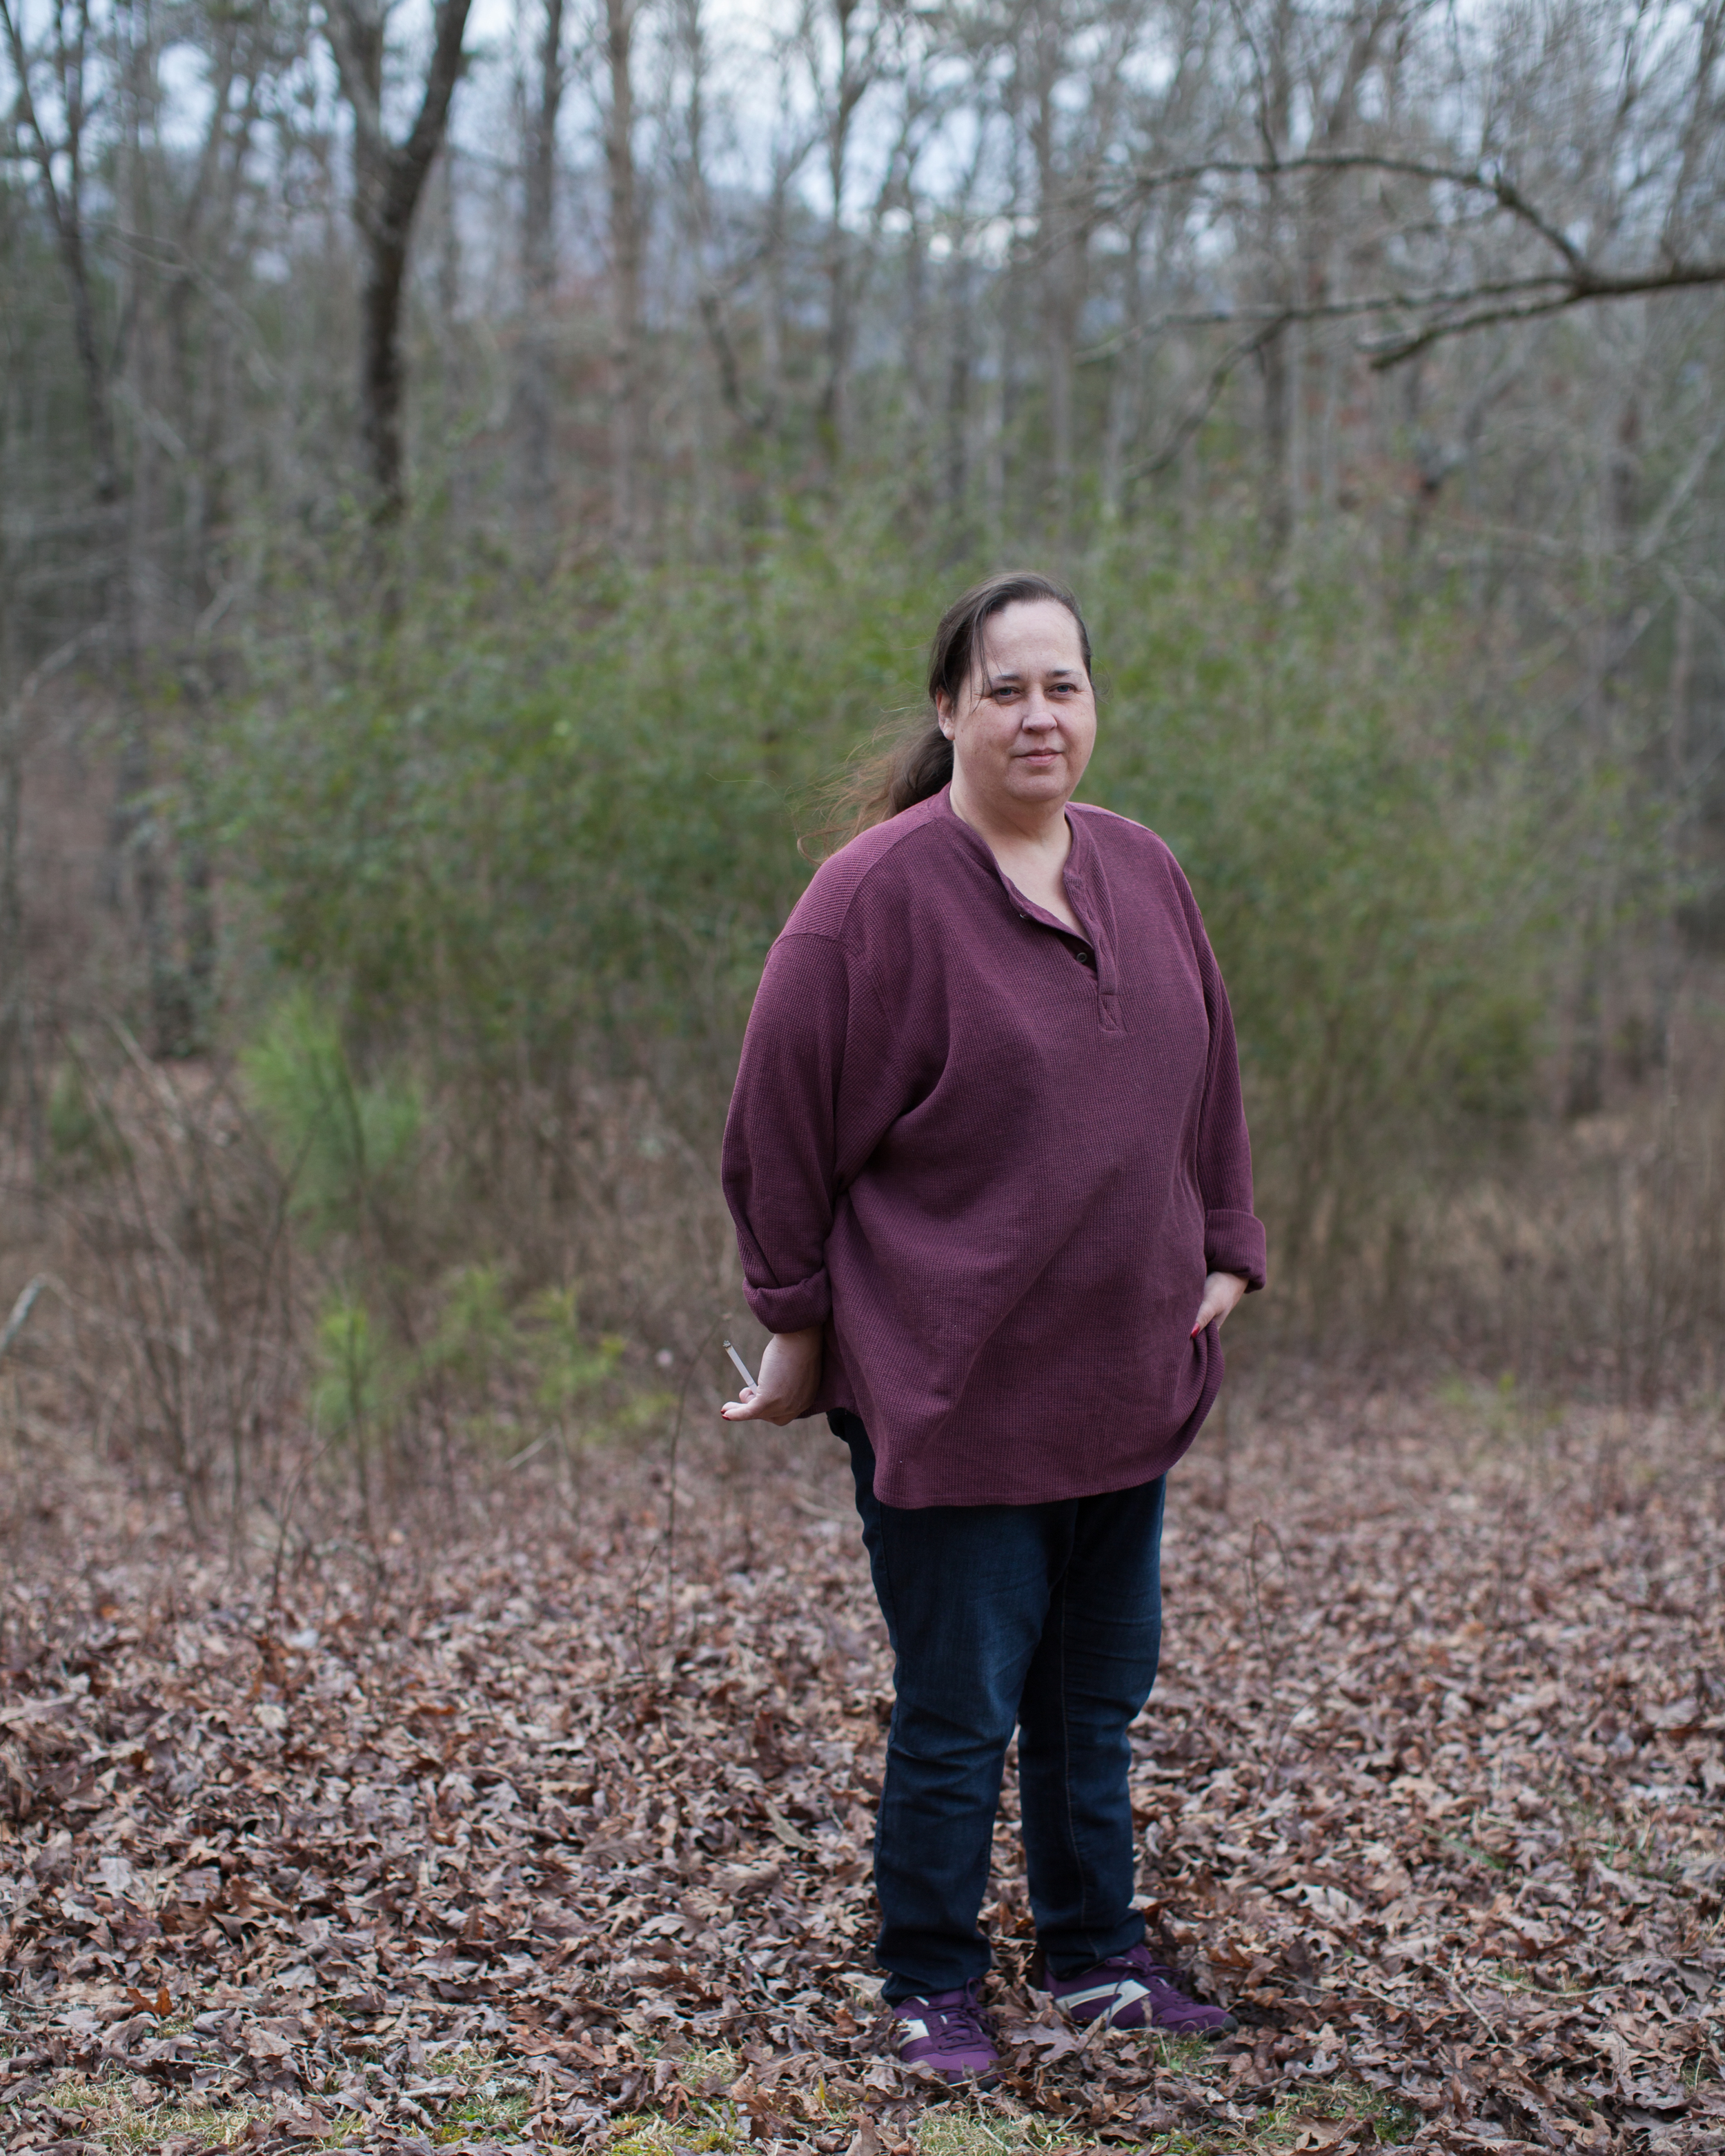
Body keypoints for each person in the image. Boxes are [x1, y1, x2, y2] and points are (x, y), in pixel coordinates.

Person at [718, 571, 1265, 2084]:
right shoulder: (869, 903)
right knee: (960, 1714)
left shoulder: (1143, 873)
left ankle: (1097, 1964)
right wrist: (794, 1328)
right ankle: (929, 1986)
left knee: (1092, 1703)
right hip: (950, 1387)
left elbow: (1205, 1071)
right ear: (949, 708)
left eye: (1064, 686)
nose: (1039, 715)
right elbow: (775, 1132)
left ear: (1095, 706)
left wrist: (1224, 1242)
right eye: (1006, 688)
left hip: (1124, 1377)